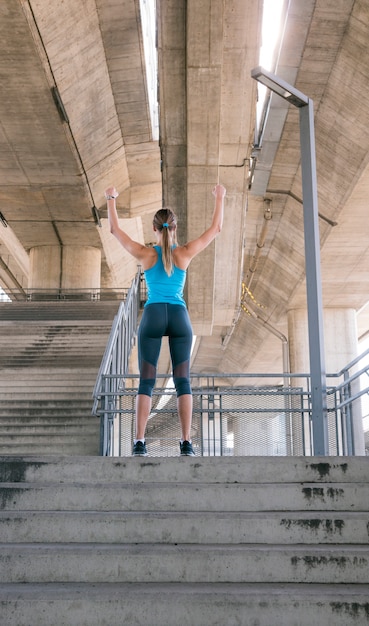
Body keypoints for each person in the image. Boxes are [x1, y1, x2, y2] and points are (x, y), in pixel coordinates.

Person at [105, 183, 226, 456]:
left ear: (154, 229)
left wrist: (111, 199)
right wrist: (219, 197)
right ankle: (186, 443)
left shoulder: (147, 254)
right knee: (183, 380)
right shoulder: (184, 253)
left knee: (147, 381)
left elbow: (115, 231)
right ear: (174, 228)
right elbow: (216, 229)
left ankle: (139, 442)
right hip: (180, 317)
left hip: (154, 315)